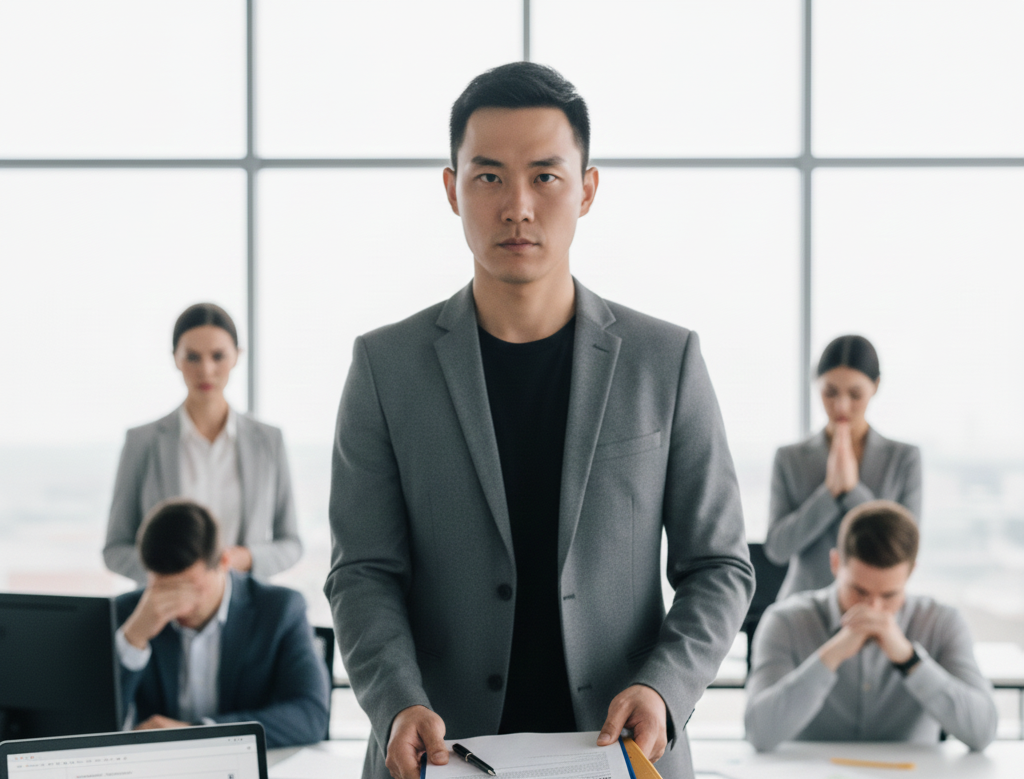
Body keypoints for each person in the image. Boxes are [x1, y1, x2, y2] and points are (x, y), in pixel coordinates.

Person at [325, 62, 754, 779]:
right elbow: (363, 572)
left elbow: (719, 565)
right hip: (436, 756)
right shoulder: (384, 365)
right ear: (451, 188)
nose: (517, 206)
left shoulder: (665, 359)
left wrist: (665, 687)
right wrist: (396, 702)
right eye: (488, 176)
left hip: (618, 754)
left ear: (586, 189)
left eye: (546, 177)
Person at [745, 500, 996, 752]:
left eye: (889, 595)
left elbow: (982, 731)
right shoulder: (786, 621)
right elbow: (759, 733)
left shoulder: (942, 622)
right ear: (835, 564)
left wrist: (910, 659)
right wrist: (831, 655)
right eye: (859, 591)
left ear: (910, 573)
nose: (873, 608)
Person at [104, 302, 301, 585]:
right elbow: (115, 549)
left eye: (218, 356)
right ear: (175, 358)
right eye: (192, 357)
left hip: (247, 609)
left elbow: (291, 543)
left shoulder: (268, 441)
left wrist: (246, 558)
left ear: (237, 356)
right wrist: (171, 573)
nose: (206, 369)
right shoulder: (142, 442)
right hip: (168, 612)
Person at [115, 499, 330, 748]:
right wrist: (133, 639)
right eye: (163, 589)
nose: (178, 605)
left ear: (224, 562)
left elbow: (310, 716)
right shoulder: (128, 614)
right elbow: (90, 723)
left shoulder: (280, 610)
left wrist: (199, 734)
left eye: (190, 587)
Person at [765, 335, 921, 600]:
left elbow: (905, 549)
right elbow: (777, 549)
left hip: (876, 603)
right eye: (830, 392)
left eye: (855, 394)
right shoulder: (789, 458)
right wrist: (828, 495)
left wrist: (851, 490)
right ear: (816, 385)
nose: (841, 406)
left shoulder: (903, 458)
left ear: (876, 386)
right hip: (801, 607)